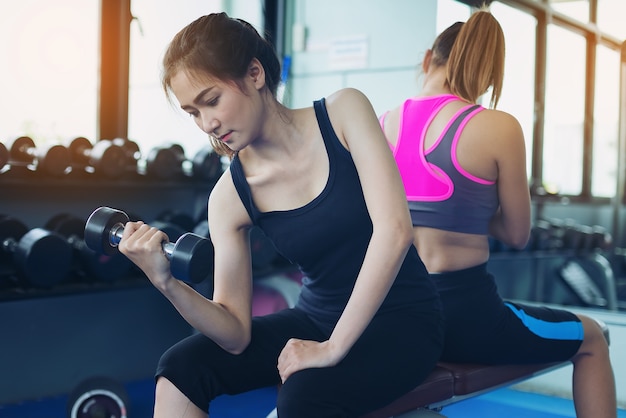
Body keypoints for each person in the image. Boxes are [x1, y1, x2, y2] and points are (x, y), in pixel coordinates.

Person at [117, 12, 444, 418]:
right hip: (316, 318)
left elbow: (395, 231)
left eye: (212, 100)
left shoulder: (343, 113)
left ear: (255, 73)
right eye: (193, 113)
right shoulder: (230, 196)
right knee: (182, 367)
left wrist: (333, 347)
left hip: (401, 321)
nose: (208, 124)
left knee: (305, 396)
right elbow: (235, 334)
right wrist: (165, 281)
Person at [379, 9, 617, 418]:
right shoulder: (498, 127)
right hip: (467, 316)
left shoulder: (383, 124)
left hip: (399, 313)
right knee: (594, 337)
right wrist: (471, 210)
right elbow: (517, 233)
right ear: (487, 77)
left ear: (426, 60)